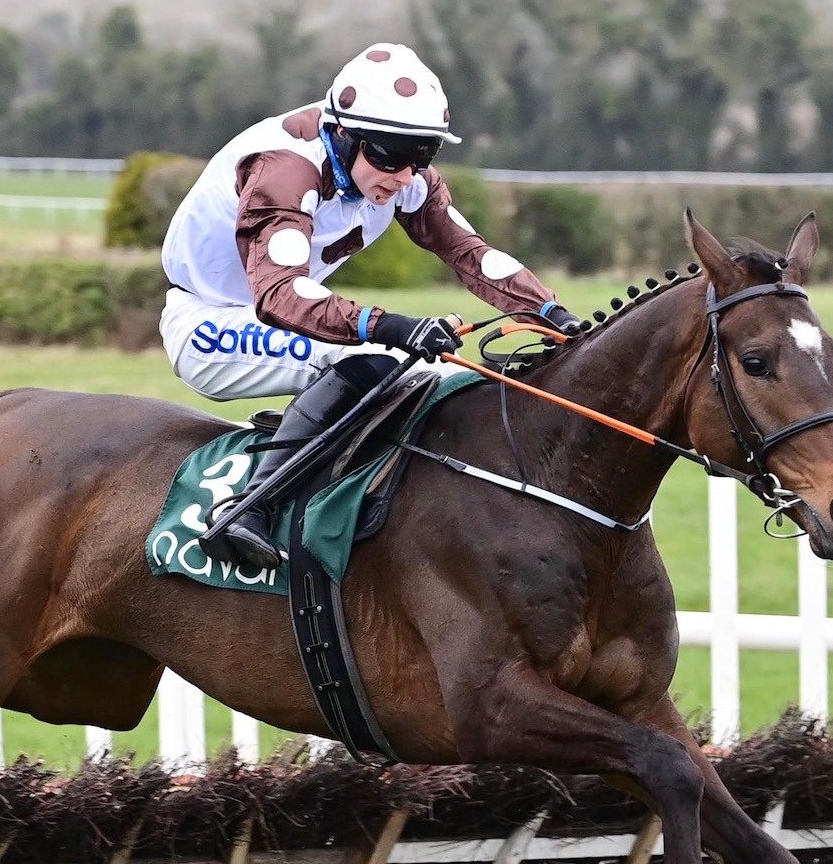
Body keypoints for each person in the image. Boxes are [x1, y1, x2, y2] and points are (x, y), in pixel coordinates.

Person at [160, 42, 578, 572]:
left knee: (433, 372)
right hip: (207, 324)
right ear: (344, 134)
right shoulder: (285, 170)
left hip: (275, 314)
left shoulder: (401, 176)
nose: (405, 176)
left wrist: (552, 314)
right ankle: (248, 509)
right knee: (365, 358)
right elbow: (281, 295)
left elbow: (470, 254)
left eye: (421, 156)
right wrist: (393, 326)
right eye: (390, 155)